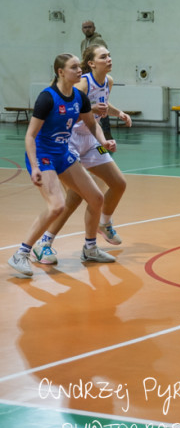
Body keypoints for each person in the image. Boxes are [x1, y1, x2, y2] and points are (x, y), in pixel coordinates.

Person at [8, 54, 118, 278]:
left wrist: (103, 141)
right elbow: (30, 136)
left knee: (96, 198)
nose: (79, 70)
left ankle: (90, 249)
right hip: (43, 155)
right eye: (74, 67)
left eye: (79, 67)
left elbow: (91, 124)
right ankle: (21, 254)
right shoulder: (47, 98)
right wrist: (36, 167)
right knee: (56, 206)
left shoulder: (79, 96)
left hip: (63, 153)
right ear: (60, 72)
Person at [35, 45, 133, 264]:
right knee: (75, 196)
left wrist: (118, 114)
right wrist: (88, 114)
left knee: (118, 183)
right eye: (103, 56)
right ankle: (45, 242)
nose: (109, 59)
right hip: (69, 141)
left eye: (109, 54)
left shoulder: (108, 81)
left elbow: (102, 105)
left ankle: (103, 224)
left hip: (91, 142)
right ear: (91, 63)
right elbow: (68, 115)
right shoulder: (82, 83)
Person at [80, 21, 111, 138]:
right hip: (87, 75)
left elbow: (103, 59)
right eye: (85, 27)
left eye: (89, 27)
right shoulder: (83, 42)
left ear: (94, 28)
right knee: (90, 103)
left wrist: (119, 113)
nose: (87, 30)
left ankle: (106, 133)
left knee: (102, 104)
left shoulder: (99, 41)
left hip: (96, 76)